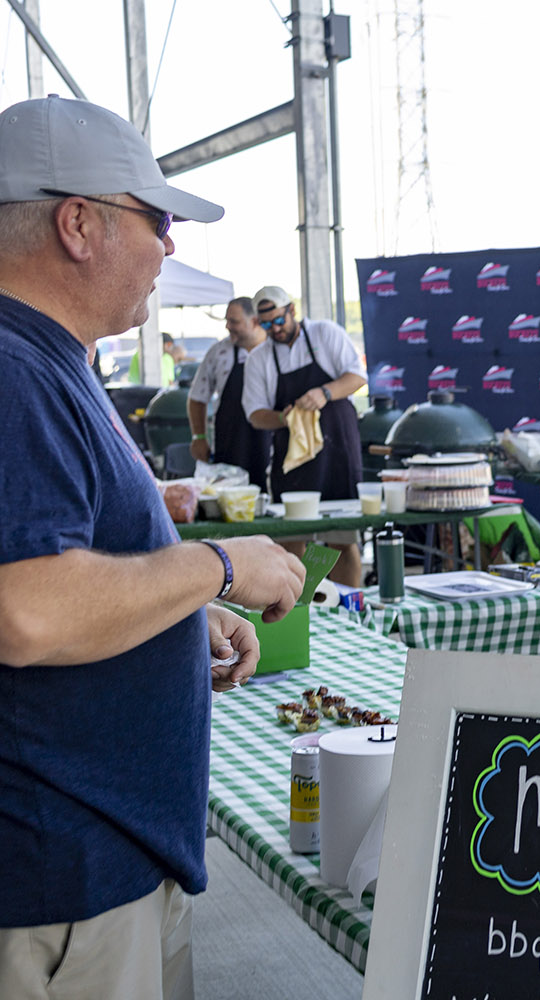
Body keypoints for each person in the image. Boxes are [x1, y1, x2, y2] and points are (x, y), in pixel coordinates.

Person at [0, 94, 306, 1000]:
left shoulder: (49, 360)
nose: (170, 248)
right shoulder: (14, 368)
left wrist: (180, 612)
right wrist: (219, 564)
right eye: (158, 220)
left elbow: (68, 568)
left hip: (102, 860)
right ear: (79, 224)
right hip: (62, 881)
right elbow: (25, 609)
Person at [242, 284, 367, 585]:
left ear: (292, 310)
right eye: (266, 324)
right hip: (294, 461)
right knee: (289, 543)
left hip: (338, 452)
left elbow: (358, 376)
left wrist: (325, 393)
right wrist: (284, 418)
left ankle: (347, 612)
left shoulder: (326, 333)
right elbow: (256, 415)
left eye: (278, 320)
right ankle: (293, 614)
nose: (275, 329)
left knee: (342, 541)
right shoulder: (259, 360)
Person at [188, 296, 273, 490]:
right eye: (226, 320)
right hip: (230, 445)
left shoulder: (274, 349)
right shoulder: (218, 352)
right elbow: (197, 398)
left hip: (271, 446)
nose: (227, 326)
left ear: (255, 322)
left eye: (234, 321)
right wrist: (199, 437)